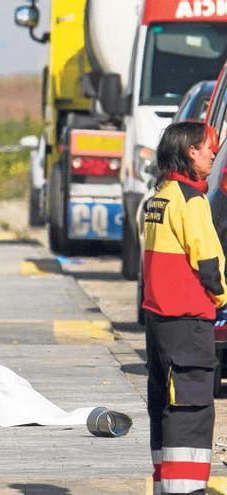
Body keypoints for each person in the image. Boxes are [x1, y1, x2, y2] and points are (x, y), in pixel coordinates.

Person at [142, 121, 227, 495]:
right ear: (191, 151)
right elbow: (208, 263)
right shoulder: (191, 200)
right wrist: (222, 297)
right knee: (190, 406)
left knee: (164, 402)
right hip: (188, 323)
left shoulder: (158, 197)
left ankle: (168, 484)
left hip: (159, 322)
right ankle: (186, 488)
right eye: (208, 147)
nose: (213, 154)